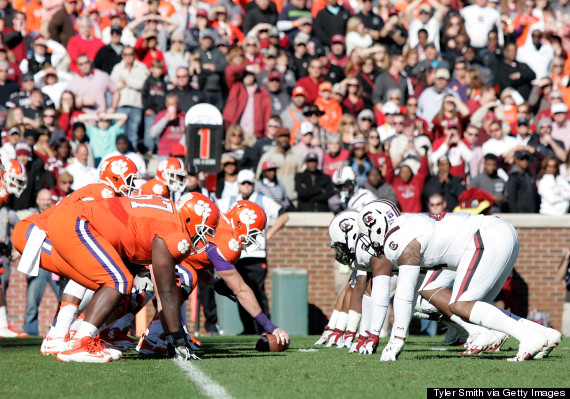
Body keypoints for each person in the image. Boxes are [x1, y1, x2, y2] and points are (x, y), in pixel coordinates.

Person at [356, 201, 561, 362]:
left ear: (377, 224)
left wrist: (396, 340)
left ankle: (528, 337)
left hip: (485, 236)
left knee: (460, 305)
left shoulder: (397, 239)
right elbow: (413, 292)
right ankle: (543, 333)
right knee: (473, 310)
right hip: (495, 232)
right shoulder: (407, 224)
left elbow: (405, 290)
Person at [46, 193, 219, 362]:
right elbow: (166, 290)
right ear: (189, 220)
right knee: (118, 281)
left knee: (119, 280)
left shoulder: (166, 213)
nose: (202, 238)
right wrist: (179, 339)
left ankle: (75, 336)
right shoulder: (173, 229)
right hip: (76, 222)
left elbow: (126, 233)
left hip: (68, 220)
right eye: (203, 231)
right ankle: (80, 343)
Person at [216, 170, 289, 335]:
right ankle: (248, 328)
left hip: (256, 254)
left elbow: (284, 216)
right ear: (238, 185)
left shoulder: (263, 200)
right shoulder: (229, 201)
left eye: (249, 183)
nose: (246, 186)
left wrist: (269, 232)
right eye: (243, 183)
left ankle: (265, 328)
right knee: (239, 290)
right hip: (236, 254)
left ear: (253, 184)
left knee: (257, 290)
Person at [23, 188, 59, 336]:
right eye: (43, 199)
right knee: (32, 301)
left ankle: (64, 331)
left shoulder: (57, 215)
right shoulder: (31, 216)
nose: (46, 202)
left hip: (55, 264)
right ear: (37, 200)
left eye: (48, 199)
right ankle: (31, 333)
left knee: (65, 299)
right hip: (37, 264)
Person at [110, 46, 149, 150]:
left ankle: (131, 158)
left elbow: (142, 84)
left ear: (134, 55)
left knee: (133, 134)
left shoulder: (141, 67)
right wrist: (131, 82)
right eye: (126, 54)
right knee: (120, 133)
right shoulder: (117, 67)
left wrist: (126, 81)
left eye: (130, 54)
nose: (128, 57)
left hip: (136, 105)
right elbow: (112, 85)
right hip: (121, 104)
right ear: (122, 55)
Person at [257, 128, 305, 206]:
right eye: (281, 136)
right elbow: (259, 176)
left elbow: (303, 177)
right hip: (273, 200)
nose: (284, 139)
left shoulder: (298, 156)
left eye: (286, 136)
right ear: (276, 138)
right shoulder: (268, 156)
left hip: (293, 199)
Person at [148, 93, 186, 158]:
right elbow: (153, 133)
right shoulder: (161, 115)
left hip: (180, 153)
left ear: (177, 104)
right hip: (165, 152)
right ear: (166, 104)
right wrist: (165, 119)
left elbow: (187, 133)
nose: (172, 106)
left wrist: (181, 145)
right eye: (170, 104)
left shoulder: (183, 115)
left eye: (174, 104)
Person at [556, 248, 570, 337]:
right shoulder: (567, 258)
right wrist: (566, 258)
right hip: (569, 300)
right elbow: (559, 276)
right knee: (566, 332)